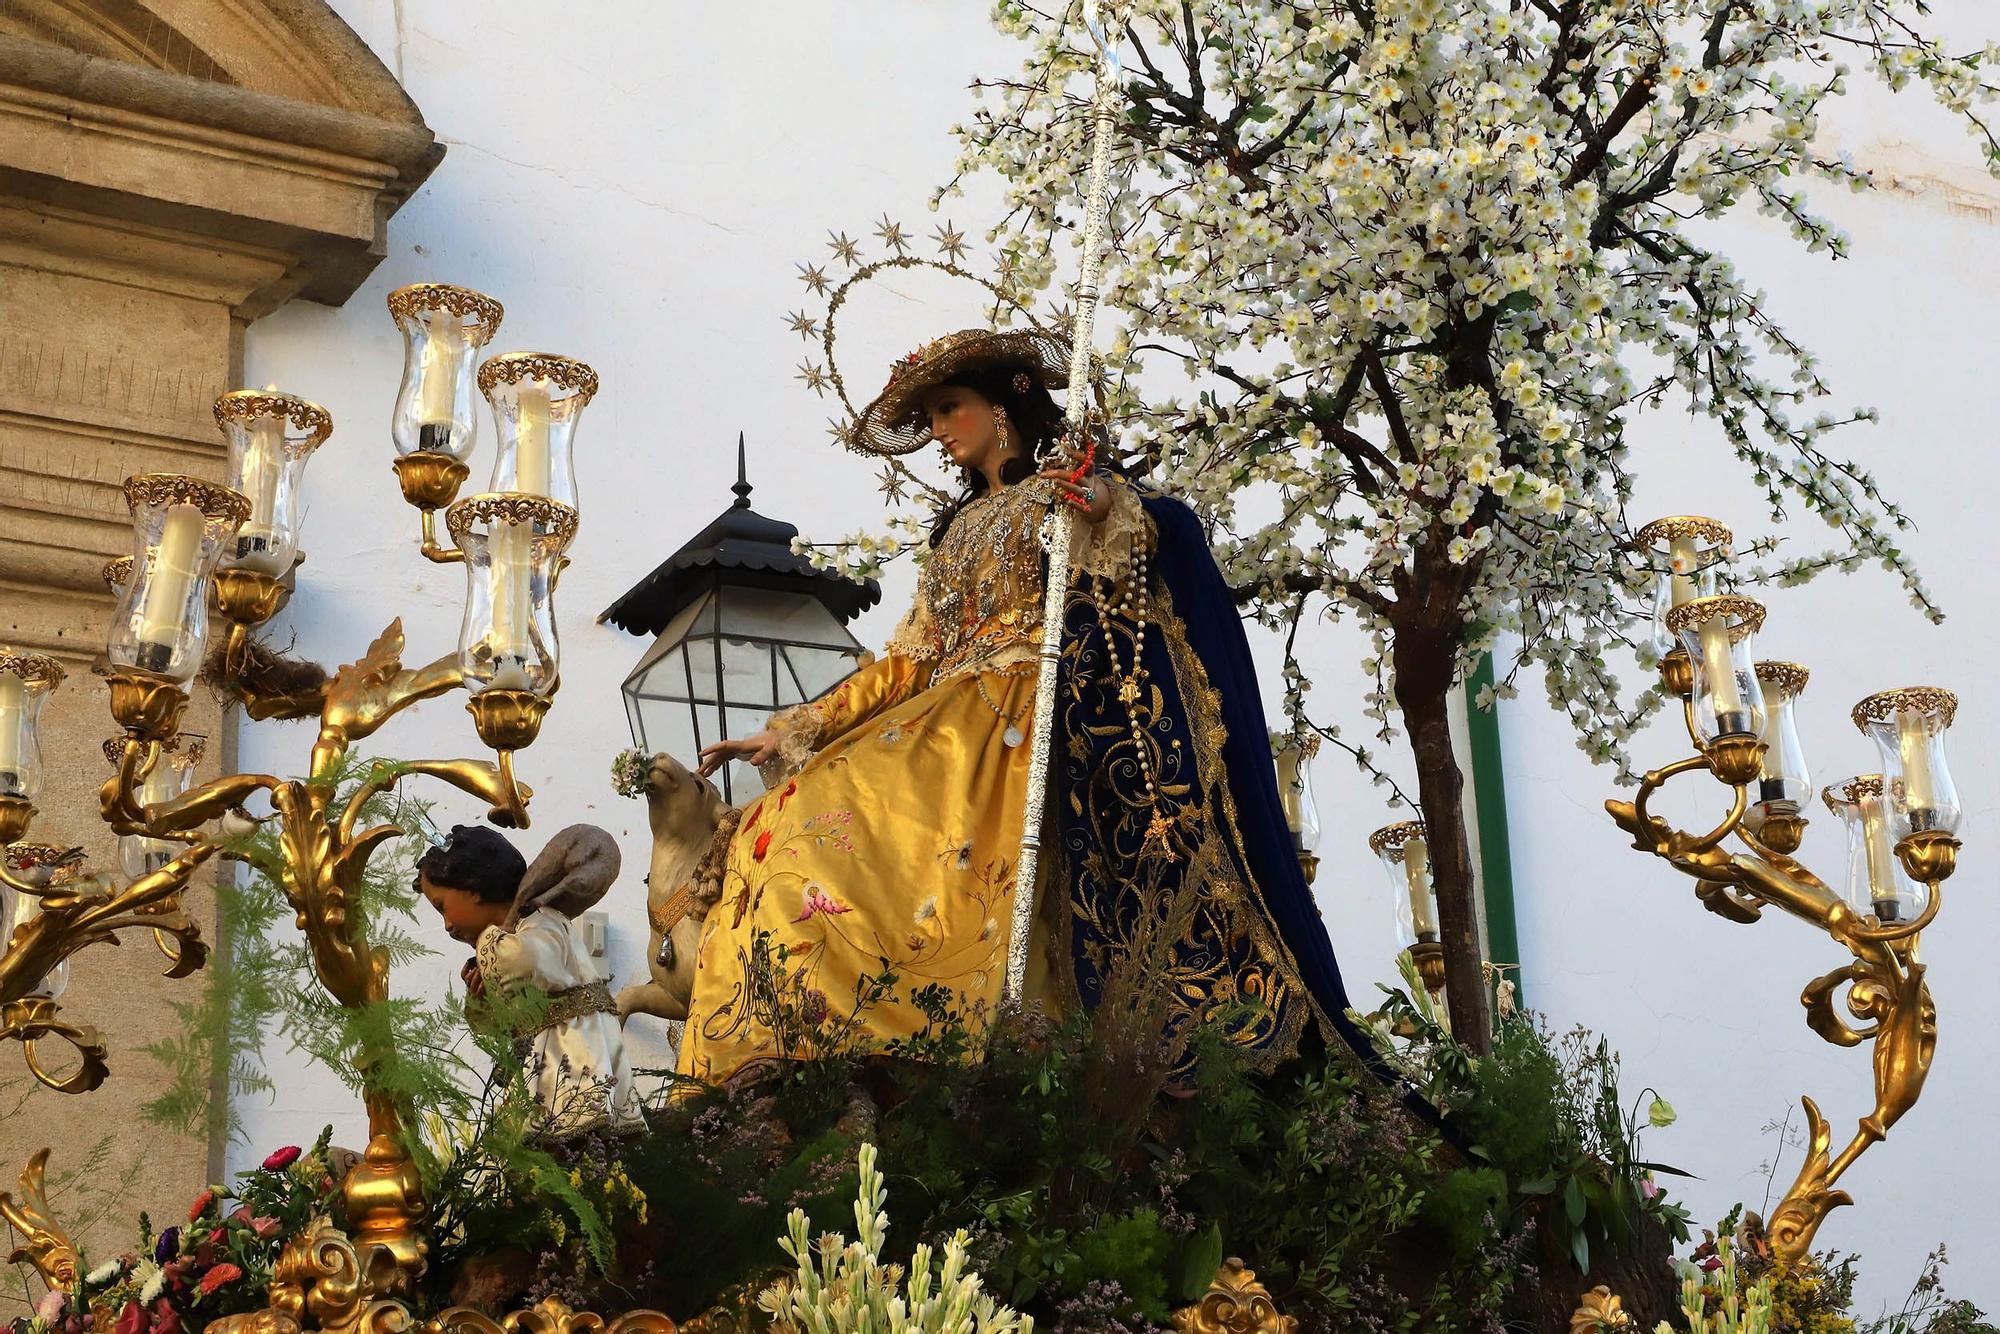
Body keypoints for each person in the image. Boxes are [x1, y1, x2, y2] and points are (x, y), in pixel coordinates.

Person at [677, 328, 1374, 1088]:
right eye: (932, 418)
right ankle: (826, 1033)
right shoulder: (954, 533)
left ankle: (955, 1026)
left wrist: (1100, 502)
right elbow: (910, 659)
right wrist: (793, 727)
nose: (940, 433)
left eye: (950, 409)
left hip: (1022, 714)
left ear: (1004, 405)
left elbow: (1141, 534)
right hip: (946, 714)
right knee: (793, 819)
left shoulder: (1059, 494)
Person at [419, 823, 644, 1137]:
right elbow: (503, 1026)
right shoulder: (509, 939)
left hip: (573, 1057)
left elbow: (535, 961)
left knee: (574, 1142)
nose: (446, 926)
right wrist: (482, 998)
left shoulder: (540, 920)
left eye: (442, 907)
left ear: (473, 887)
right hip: (542, 1065)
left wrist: (489, 946)